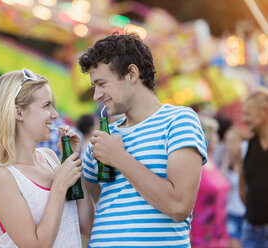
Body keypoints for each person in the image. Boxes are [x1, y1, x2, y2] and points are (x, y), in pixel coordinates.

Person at [78, 33, 207, 247]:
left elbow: (178, 206)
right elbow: (87, 212)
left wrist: (119, 158)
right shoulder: (105, 137)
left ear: (131, 74)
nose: (96, 95)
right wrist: (72, 162)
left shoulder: (179, 121)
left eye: (101, 84)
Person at [0, 68, 94, 247]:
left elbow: (86, 225)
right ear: (19, 113)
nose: (55, 115)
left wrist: (73, 162)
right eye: (46, 105)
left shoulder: (50, 158)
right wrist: (59, 185)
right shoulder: (1, 176)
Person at [190, 116, 230, 248]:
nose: (217, 137)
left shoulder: (210, 161)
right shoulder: (194, 164)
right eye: (212, 132)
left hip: (218, 231)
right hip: (200, 234)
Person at [239, 87, 268, 248]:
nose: (244, 119)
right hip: (252, 228)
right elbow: (243, 190)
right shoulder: (246, 146)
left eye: (248, 114)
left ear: (265, 112)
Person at [221, 127, 245, 248]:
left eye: (233, 141)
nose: (229, 146)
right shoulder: (226, 163)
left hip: (246, 214)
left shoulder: (248, 163)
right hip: (231, 213)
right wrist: (225, 164)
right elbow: (221, 186)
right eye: (227, 141)